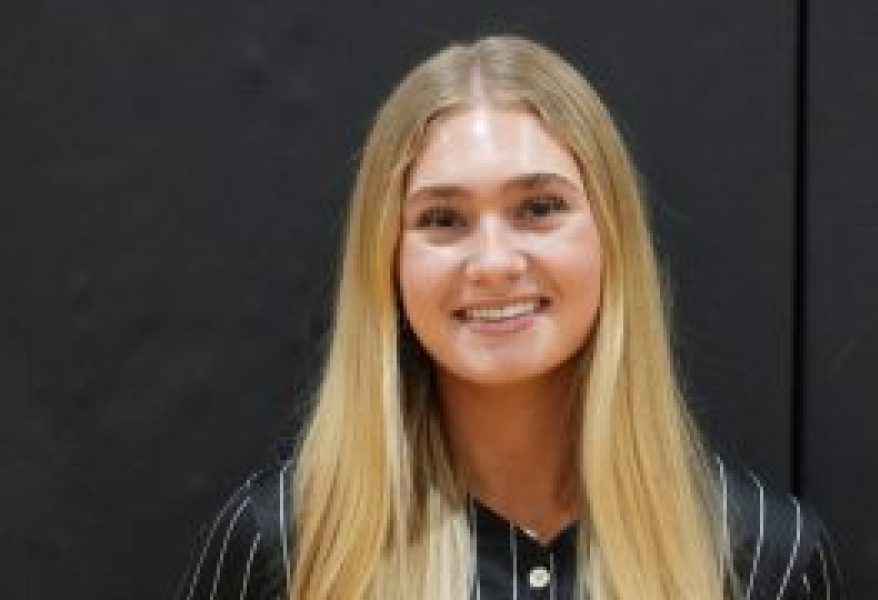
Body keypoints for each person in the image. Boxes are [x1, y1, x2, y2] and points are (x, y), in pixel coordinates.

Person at [177, 34, 844, 599]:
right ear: (387, 260)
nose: (494, 262)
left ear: (611, 236)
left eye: (540, 208)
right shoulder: (285, 546)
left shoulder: (767, 558)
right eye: (443, 218)